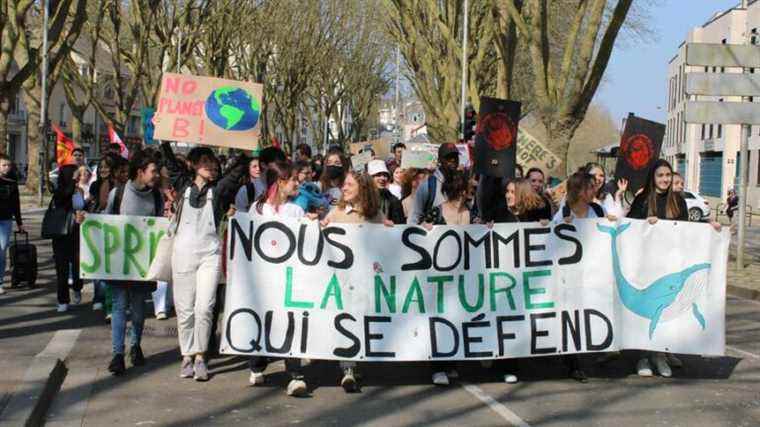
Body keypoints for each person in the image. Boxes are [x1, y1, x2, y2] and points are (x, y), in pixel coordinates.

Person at [162, 141, 248, 382]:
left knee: (205, 307)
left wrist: (246, 145)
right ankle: (186, 355)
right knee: (184, 308)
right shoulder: (182, 185)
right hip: (183, 254)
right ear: (193, 165)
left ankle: (201, 356)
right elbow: (169, 161)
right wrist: (164, 137)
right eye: (205, 162)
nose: (211, 166)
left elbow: (238, 170)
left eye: (213, 163)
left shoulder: (219, 190)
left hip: (209, 254)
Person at [627, 159, 720, 377]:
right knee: (647, 310)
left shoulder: (678, 200)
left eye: (667, 175)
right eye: (660, 175)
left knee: (666, 309)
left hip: (670, 266)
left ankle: (660, 355)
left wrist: (710, 227)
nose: (665, 179)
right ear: (653, 178)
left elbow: (687, 230)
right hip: (646, 266)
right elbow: (629, 229)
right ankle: (643, 357)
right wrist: (644, 225)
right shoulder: (643, 199)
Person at [93, 149, 164, 376]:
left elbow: (160, 226)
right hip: (119, 262)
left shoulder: (156, 196)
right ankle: (117, 354)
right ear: (140, 172)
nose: (157, 176)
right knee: (119, 307)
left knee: (138, 309)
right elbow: (105, 221)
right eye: (153, 171)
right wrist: (86, 220)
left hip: (142, 263)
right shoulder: (119, 193)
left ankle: (135, 345)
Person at [247, 161, 311, 396]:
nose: (298, 182)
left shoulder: (295, 210)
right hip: (263, 277)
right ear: (280, 182)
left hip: (289, 277)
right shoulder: (257, 209)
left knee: (289, 321)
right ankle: (256, 364)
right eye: (293, 179)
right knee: (264, 320)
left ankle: (294, 373)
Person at [321, 170, 388, 392]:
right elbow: (322, 233)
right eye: (345, 184)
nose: (344, 188)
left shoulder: (374, 214)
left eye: (350, 184)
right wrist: (318, 224)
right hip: (341, 279)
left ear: (363, 188)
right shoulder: (337, 212)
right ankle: (347, 367)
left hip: (365, 279)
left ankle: (355, 359)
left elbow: (386, 241)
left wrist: (393, 231)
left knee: (359, 317)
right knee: (346, 316)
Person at [51, 164, 83, 312]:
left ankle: (77, 288)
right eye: (75, 175)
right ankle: (62, 299)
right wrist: (72, 183)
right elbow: (64, 197)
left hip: (77, 233)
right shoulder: (59, 191)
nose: (78, 177)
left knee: (77, 267)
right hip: (61, 234)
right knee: (62, 269)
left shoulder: (79, 190)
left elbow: (83, 207)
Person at [407, 143, 460, 225]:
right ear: (439, 160)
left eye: (455, 156)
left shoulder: (462, 183)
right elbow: (414, 218)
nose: (453, 160)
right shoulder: (428, 186)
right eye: (448, 157)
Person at [0, 154, 25, 294]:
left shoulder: (12, 181)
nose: (7, 168)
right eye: (4, 165)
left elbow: (16, 203)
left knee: (2, 251)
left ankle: (0, 282)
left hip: (5, 220)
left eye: (8, 165)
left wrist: (20, 222)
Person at [368, 160, 405, 224]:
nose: (382, 178)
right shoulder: (362, 200)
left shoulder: (394, 201)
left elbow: (399, 226)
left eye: (385, 175)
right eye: (378, 175)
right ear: (370, 178)